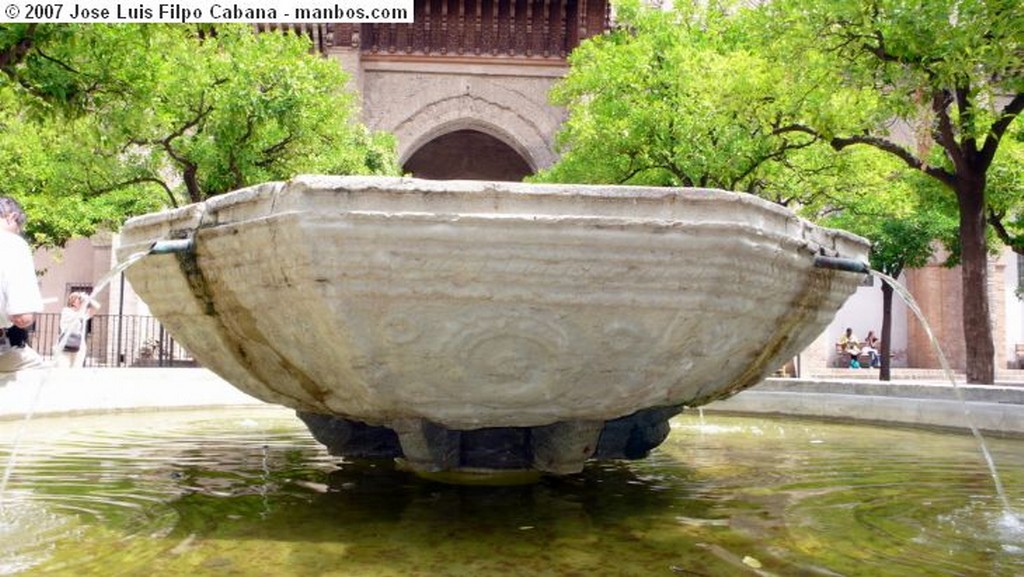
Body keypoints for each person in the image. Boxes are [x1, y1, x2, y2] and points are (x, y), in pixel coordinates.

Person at [0, 196, 45, 372]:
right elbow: (22, 317)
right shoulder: (12, 244)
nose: (18, 231)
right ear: (10, 216)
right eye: (19, 226)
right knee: (39, 371)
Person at [54, 291, 100, 368]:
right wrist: (84, 304)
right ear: (73, 302)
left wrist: (88, 298)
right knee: (63, 367)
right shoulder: (66, 311)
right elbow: (78, 316)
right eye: (79, 299)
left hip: (79, 345)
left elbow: (97, 307)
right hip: (65, 344)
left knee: (76, 368)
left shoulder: (83, 313)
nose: (81, 301)